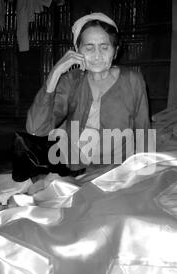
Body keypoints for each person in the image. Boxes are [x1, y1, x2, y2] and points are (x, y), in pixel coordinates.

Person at [26, 12, 150, 172]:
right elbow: (36, 129)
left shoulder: (133, 81)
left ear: (116, 51)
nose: (97, 56)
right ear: (77, 50)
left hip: (117, 170)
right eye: (89, 48)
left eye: (105, 47)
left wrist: (143, 171)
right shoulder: (72, 81)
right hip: (73, 168)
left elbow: (143, 131)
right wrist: (55, 74)